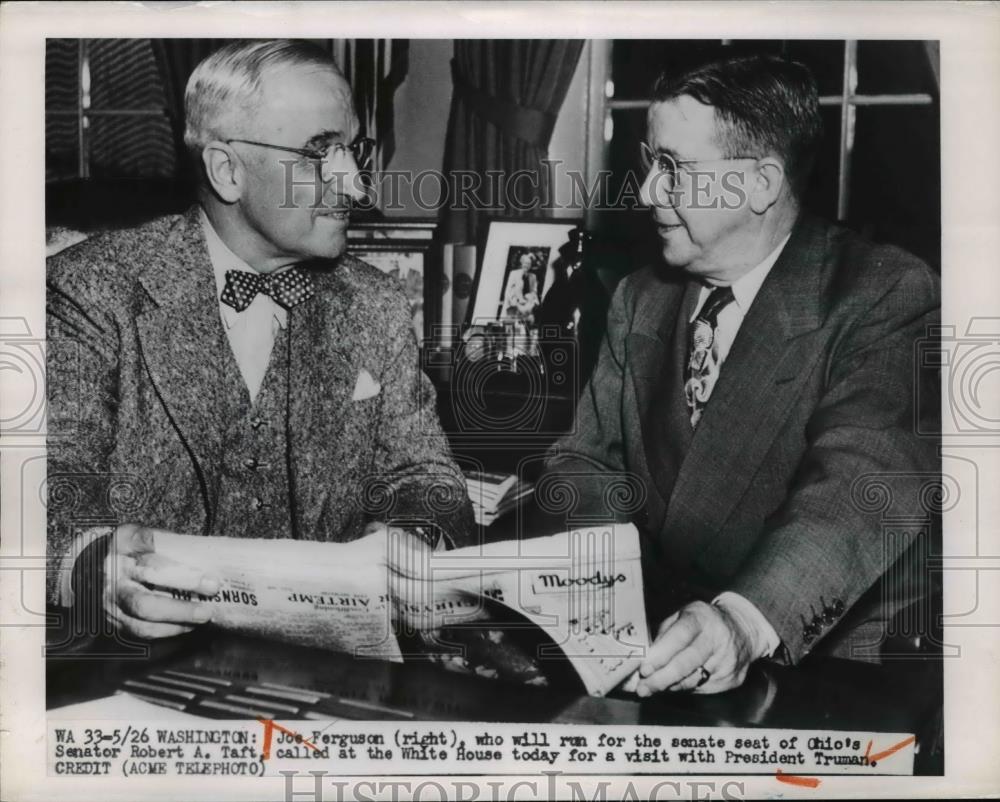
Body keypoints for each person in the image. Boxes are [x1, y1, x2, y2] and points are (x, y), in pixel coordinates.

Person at [46, 40, 474, 640]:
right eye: (319, 153)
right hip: (135, 668)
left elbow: (429, 476)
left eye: (353, 150)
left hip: (329, 675)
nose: (353, 184)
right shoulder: (90, 290)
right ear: (227, 170)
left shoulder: (374, 304)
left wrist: (411, 534)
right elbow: (48, 478)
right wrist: (93, 567)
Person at [541, 54, 940, 695]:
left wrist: (741, 622)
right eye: (651, 165)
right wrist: (608, 602)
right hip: (664, 645)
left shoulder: (883, 293)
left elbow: (862, 484)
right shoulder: (641, 296)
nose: (646, 193)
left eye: (674, 170)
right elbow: (582, 467)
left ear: (759, 184)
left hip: (830, 665)